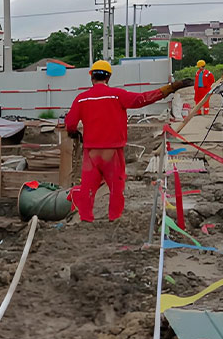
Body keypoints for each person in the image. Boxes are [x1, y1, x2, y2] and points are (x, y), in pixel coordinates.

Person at [65, 60, 193, 222]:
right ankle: (114, 218)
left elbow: (70, 124)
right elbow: (143, 99)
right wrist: (169, 88)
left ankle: (85, 219)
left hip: (91, 152)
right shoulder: (117, 95)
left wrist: (73, 132)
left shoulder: (82, 99)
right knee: (116, 188)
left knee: (87, 188)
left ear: (91, 77)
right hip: (113, 152)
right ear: (108, 77)